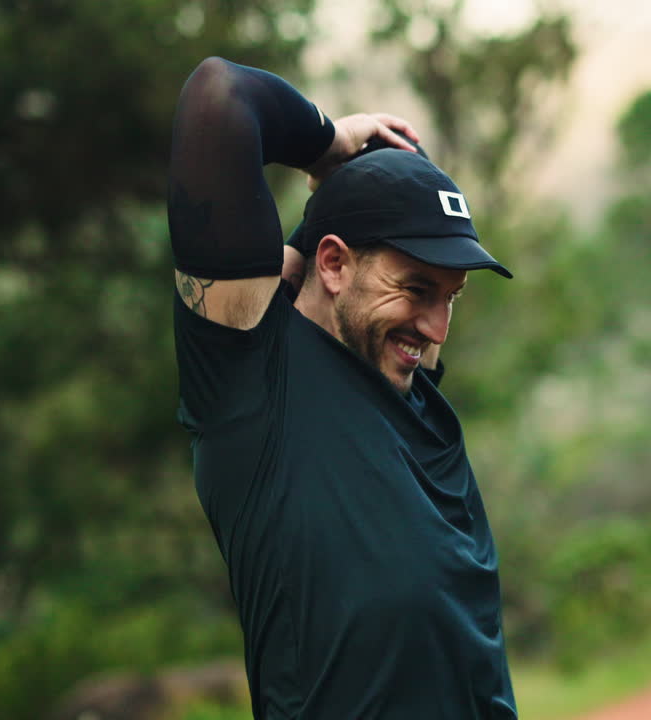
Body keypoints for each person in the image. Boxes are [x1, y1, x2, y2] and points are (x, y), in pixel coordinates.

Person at [168, 57, 516, 719]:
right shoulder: (252, 387)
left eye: (451, 298)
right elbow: (221, 95)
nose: (437, 328)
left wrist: (330, 189)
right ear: (333, 264)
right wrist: (329, 143)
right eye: (417, 289)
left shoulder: (407, 388)